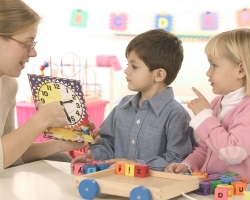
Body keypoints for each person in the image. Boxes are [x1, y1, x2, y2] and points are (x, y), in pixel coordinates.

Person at [71, 29, 196, 172]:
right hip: (116, 182)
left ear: (159, 74)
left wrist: (135, 165)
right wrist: (93, 156)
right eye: (127, 65)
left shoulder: (176, 114)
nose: (126, 71)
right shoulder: (122, 107)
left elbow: (176, 159)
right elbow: (106, 143)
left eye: (134, 66)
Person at [0, 0, 99, 172]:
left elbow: (9, 156)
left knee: (61, 157)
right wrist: (41, 120)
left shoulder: (8, 85)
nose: (33, 52)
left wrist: (60, 144)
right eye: (27, 44)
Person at [165, 28, 250, 182]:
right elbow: (206, 147)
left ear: (241, 70)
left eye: (214, 65)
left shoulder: (247, 109)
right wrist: (187, 165)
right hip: (211, 189)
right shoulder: (217, 103)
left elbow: (232, 153)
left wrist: (205, 117)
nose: (208, 72)